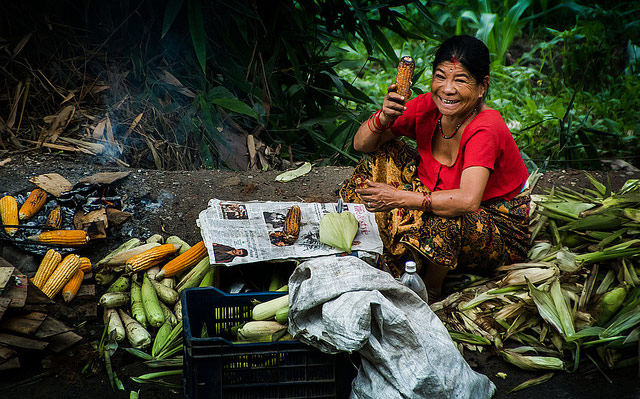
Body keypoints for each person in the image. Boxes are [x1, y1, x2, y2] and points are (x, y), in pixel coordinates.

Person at [340, 35, 531, 302]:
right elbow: (361, 144)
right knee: (380, 153)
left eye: (460, 80)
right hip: (433, 192)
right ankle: (399, 252)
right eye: (440, 77)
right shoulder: (428, 107)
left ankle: (430, 289)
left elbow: (467, 201)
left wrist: (398, 198)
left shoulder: (485, 127)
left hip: (493, 225)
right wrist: (383, 117)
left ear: (482, 86)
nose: (447, 89)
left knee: (447, 218)